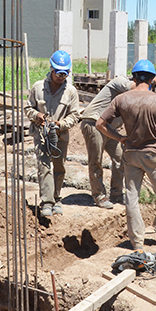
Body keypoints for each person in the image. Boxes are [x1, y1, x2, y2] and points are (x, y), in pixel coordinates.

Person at [96, 60, 156, 251]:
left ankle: (137, 243)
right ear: (152, 79)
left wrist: (120, 138)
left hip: (131, 153)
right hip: (152, 154)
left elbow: (100, 124)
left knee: (132, 197)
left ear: (133, 77)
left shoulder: (121, 99)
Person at [24, 50, 80, 216]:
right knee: (44, 166)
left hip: (60, 136)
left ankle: (56, 198)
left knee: (59, 167)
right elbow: (28, 108)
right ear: (51, 69)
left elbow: (75, 115)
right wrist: (36, 115)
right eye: (58, 72)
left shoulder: (71, 92)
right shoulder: (38, 87)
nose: (61, 76)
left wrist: (61, 124)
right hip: (41, 135)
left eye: (65, 73)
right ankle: (47, 202)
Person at [79, 76, 133, 209]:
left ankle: (116, 193)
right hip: (93, 123)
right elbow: (134, 88)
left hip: (109, 128)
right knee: (96, 161)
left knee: (121, 159)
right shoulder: (120, 82)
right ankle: (99, 195)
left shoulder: (133, 99)